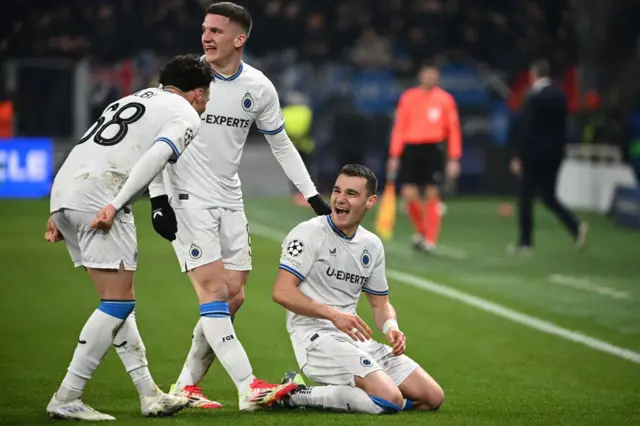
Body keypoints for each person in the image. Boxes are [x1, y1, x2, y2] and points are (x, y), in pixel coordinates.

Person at [148, 2, 331, 410]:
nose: (206, 37)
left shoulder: (259, 88)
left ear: (239, 39)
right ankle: (249, 387)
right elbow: (157, 142)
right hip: (187, 197)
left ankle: (185, 385)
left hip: (229, 198)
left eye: (215, 30)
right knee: (214, 292)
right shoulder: (184, 79)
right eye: (204, 29)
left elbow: (281, 144)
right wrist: (159, 199)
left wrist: (313, 194)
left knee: (234, 296)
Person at [44, 54, 214, 421]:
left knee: (117, 300)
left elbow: (88, 147)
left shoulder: (130, 99)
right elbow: (157, 156)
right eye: (208, 95)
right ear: (198, 93)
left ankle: (149, 394)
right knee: (118, 304)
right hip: (102, 194)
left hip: (68, 190)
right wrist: (117, 203)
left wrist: (60, 207)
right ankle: (67, 396)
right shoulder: (185, 114)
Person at [271, 164, 445, 414]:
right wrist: (333, 315)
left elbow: (380, 304)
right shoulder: (308, 233)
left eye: (351, 194)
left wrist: (391, 327)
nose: (340, 199)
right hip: (315, 338)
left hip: (355, 340)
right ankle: (296, 395)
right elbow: (282, 292)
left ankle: (367, 394)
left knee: (432, 397)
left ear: (370, 201)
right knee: (390, 398)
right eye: (337, 191)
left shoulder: (371, 245)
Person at [510, 59, 588, 252]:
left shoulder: (534, 97)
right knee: (548, 196)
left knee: (525, 197)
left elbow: (527, 129)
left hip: (534, 155)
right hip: (555, 154)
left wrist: (519, 155)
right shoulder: (560, 95)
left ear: (533, 74)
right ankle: (576, 226)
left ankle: (525, 242)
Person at [387, 63, 462, 253]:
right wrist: (394, 154)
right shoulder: (408, 97)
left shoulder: (445, 99)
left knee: (432, 193)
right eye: (426, 75)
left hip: (433, 147)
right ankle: (422, 231)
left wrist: (454, 158)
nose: (430, 78)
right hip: (411, 148)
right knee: (408, 194)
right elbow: (399, 127)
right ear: (420, 76)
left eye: (433, 75)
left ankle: (430, 239)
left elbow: (453, 130)